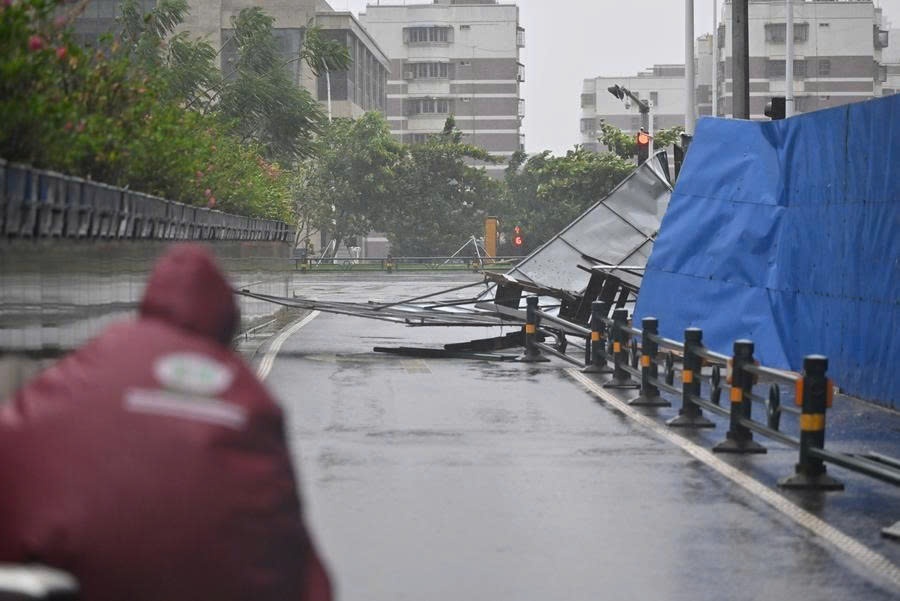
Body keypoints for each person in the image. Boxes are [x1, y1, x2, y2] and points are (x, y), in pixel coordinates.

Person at [0, 243, 331, 601]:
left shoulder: (101, 355)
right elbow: (291, 547)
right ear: (226, 323)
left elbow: (21, 436)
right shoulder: (247, 395)